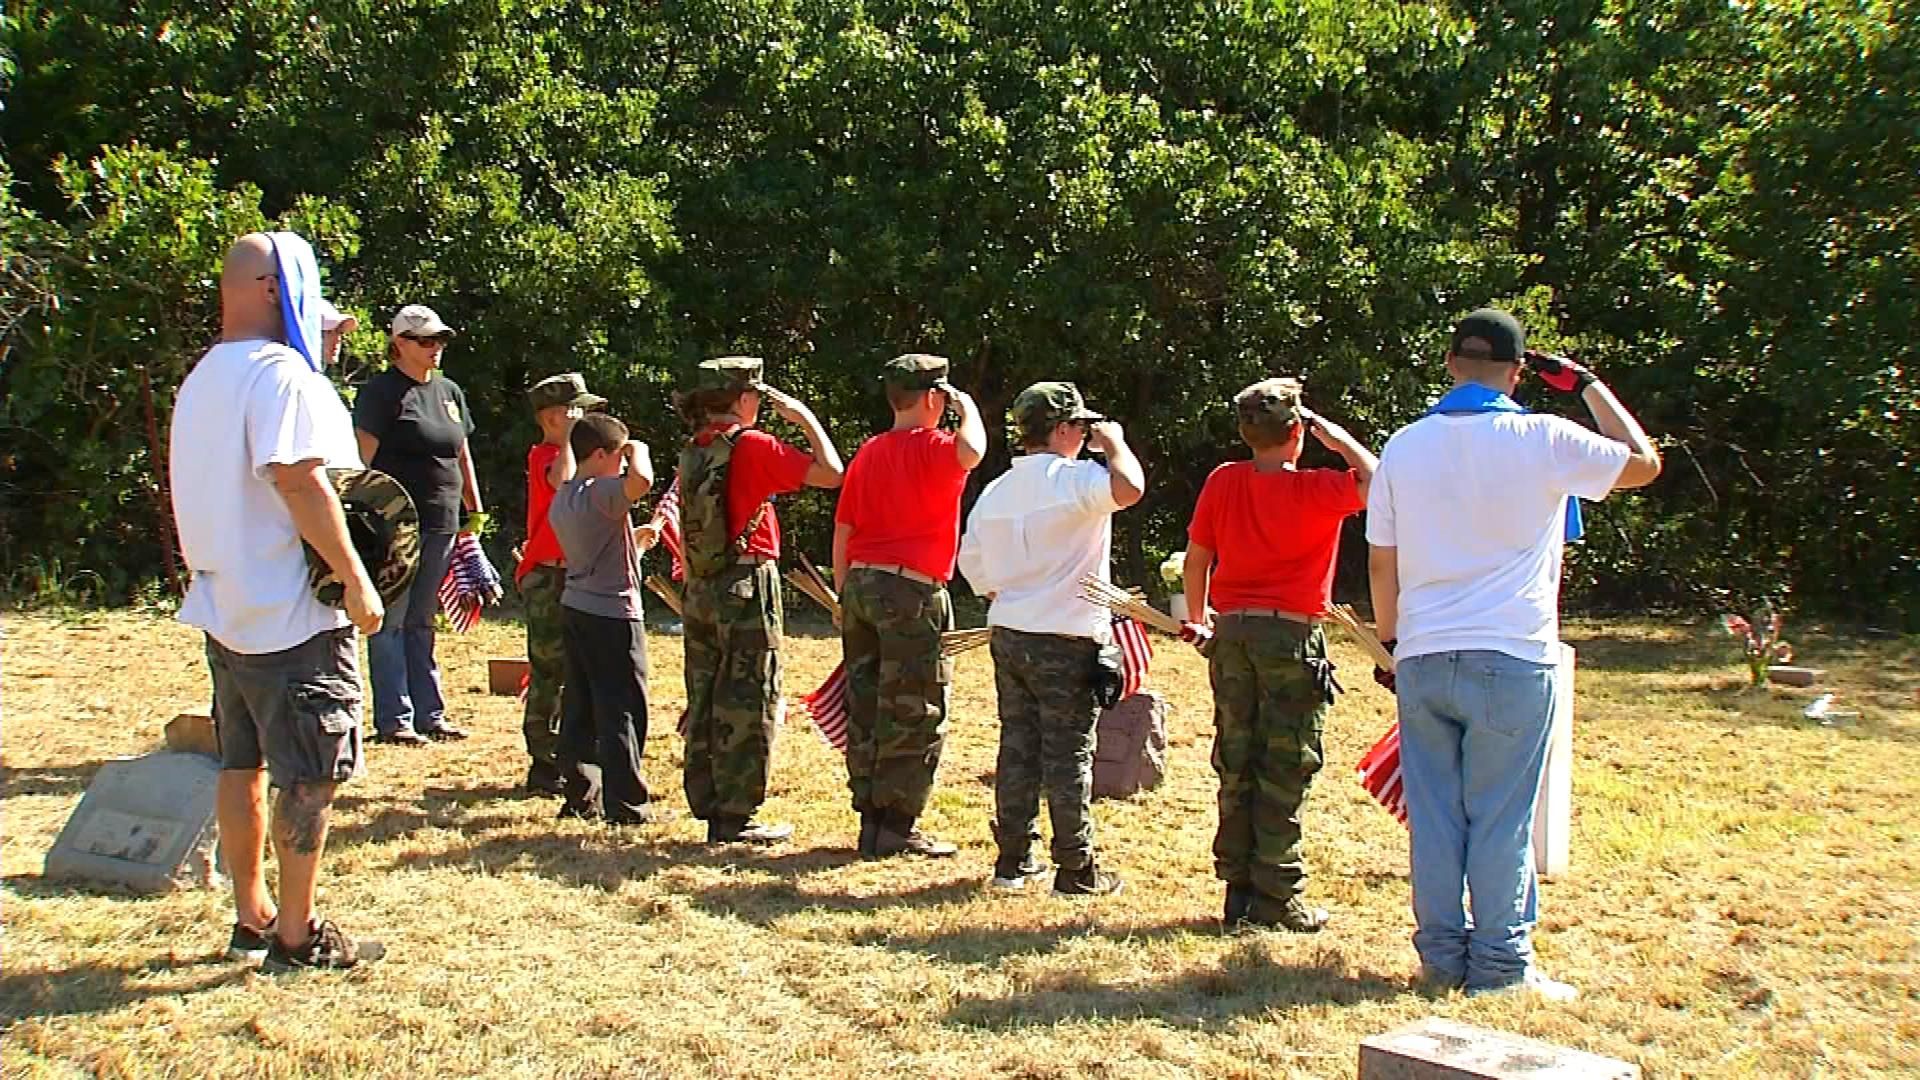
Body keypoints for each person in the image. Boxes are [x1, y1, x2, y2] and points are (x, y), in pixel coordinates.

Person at [1367, 308, 1660, 999]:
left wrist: (1391, 645)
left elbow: (1383, 561)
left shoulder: (1403, 446)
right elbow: (1644, 464)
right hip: (1511, 653)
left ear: (1448, 364)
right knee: (1502, 814)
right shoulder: (1545, 437)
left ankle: (1440, 957)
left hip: (1425, 651)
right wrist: (1587, 385)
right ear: (1520, 372)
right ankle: (1501, 966)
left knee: (1435, 817)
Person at [169, 231, 385, 971]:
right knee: (310, 775)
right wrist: (355, 576)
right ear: (274, 290)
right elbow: (299, 479)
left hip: (227, 609)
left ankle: (251, 915)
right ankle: (296, 935)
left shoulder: (203, 377)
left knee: (243, 763)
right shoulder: (281, 376)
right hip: (292, 616)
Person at [1183, 376, 1377, 932]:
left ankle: (1237, 889)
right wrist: (1340, 440)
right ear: (1299, 433)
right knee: (1287, 764)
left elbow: (1197, 560)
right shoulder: (1321, 487)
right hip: (1291, 637)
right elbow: (1385, 482)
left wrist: (1198, 620)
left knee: (1237, 759)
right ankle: (1278, 893)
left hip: (1233, 634)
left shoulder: (1224, 481)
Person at [957, 382, 1145, 896]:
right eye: (1082, 428)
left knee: (1017, 746)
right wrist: (1116, 444)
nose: (1086, 436)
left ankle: (1013, 861)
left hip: (1011, 630)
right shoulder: (1077, 479)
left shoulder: (997, 489)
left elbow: (970, 562)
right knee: (1069, 754)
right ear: (1063, 429)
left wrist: (1008, 590)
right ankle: (1075, 869)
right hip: (1067, 634)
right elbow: (1130, 489)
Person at [675, 357, 844, 844]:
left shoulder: (695, 449)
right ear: (744, 399)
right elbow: (830, 473)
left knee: (705, 694)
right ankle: (738, 814)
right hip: (748, 582)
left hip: (702, 584)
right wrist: (806, 419)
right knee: (751, 697)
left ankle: (709, 802)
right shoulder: (751, 445)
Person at [832, 354, 986, 857]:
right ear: (934, 399)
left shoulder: (869, 451)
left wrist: (842, 593)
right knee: (916, 706)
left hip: (860, 583)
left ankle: (871, 817)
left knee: (867, 701)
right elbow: (974, 451)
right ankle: (898, 825)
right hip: (912, 589)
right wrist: (970, 411)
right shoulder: (939, 447)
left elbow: (844, 529)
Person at [352, 303, 480, 745]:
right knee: (392, 618)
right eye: (425, 341)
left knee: (424, 618)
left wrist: (473, 509)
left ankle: (431, 714)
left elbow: (460, 452)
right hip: (395, 523)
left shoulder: (449, 391)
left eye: (440, 340)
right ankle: (394, 720)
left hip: (443, 518)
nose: (435, 348)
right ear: (399, 344)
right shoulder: (382, 393)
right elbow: (360, 460)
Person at [547, 411, 659, 824]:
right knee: (623, 708)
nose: (624, 463)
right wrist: (639, 448)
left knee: (581, 705)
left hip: (578, 606)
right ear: (600, 455)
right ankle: (627, 804)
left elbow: (595, 554)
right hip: (614, 615)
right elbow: (641, 482)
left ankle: (581, 794)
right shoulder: (600, 492)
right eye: (618, 455)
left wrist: (636, 546)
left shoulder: (566, 495)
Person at [515, 373, 606, 796]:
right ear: (554, 417)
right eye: (577, 411)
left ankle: (571, 755)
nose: (585, 418)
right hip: (547, 575)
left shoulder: (568, 453)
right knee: (549, 671)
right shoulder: (545, 455)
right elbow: (562, 482)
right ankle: (543, 765)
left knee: (576, 671)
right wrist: (570, 438)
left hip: (572, 573)